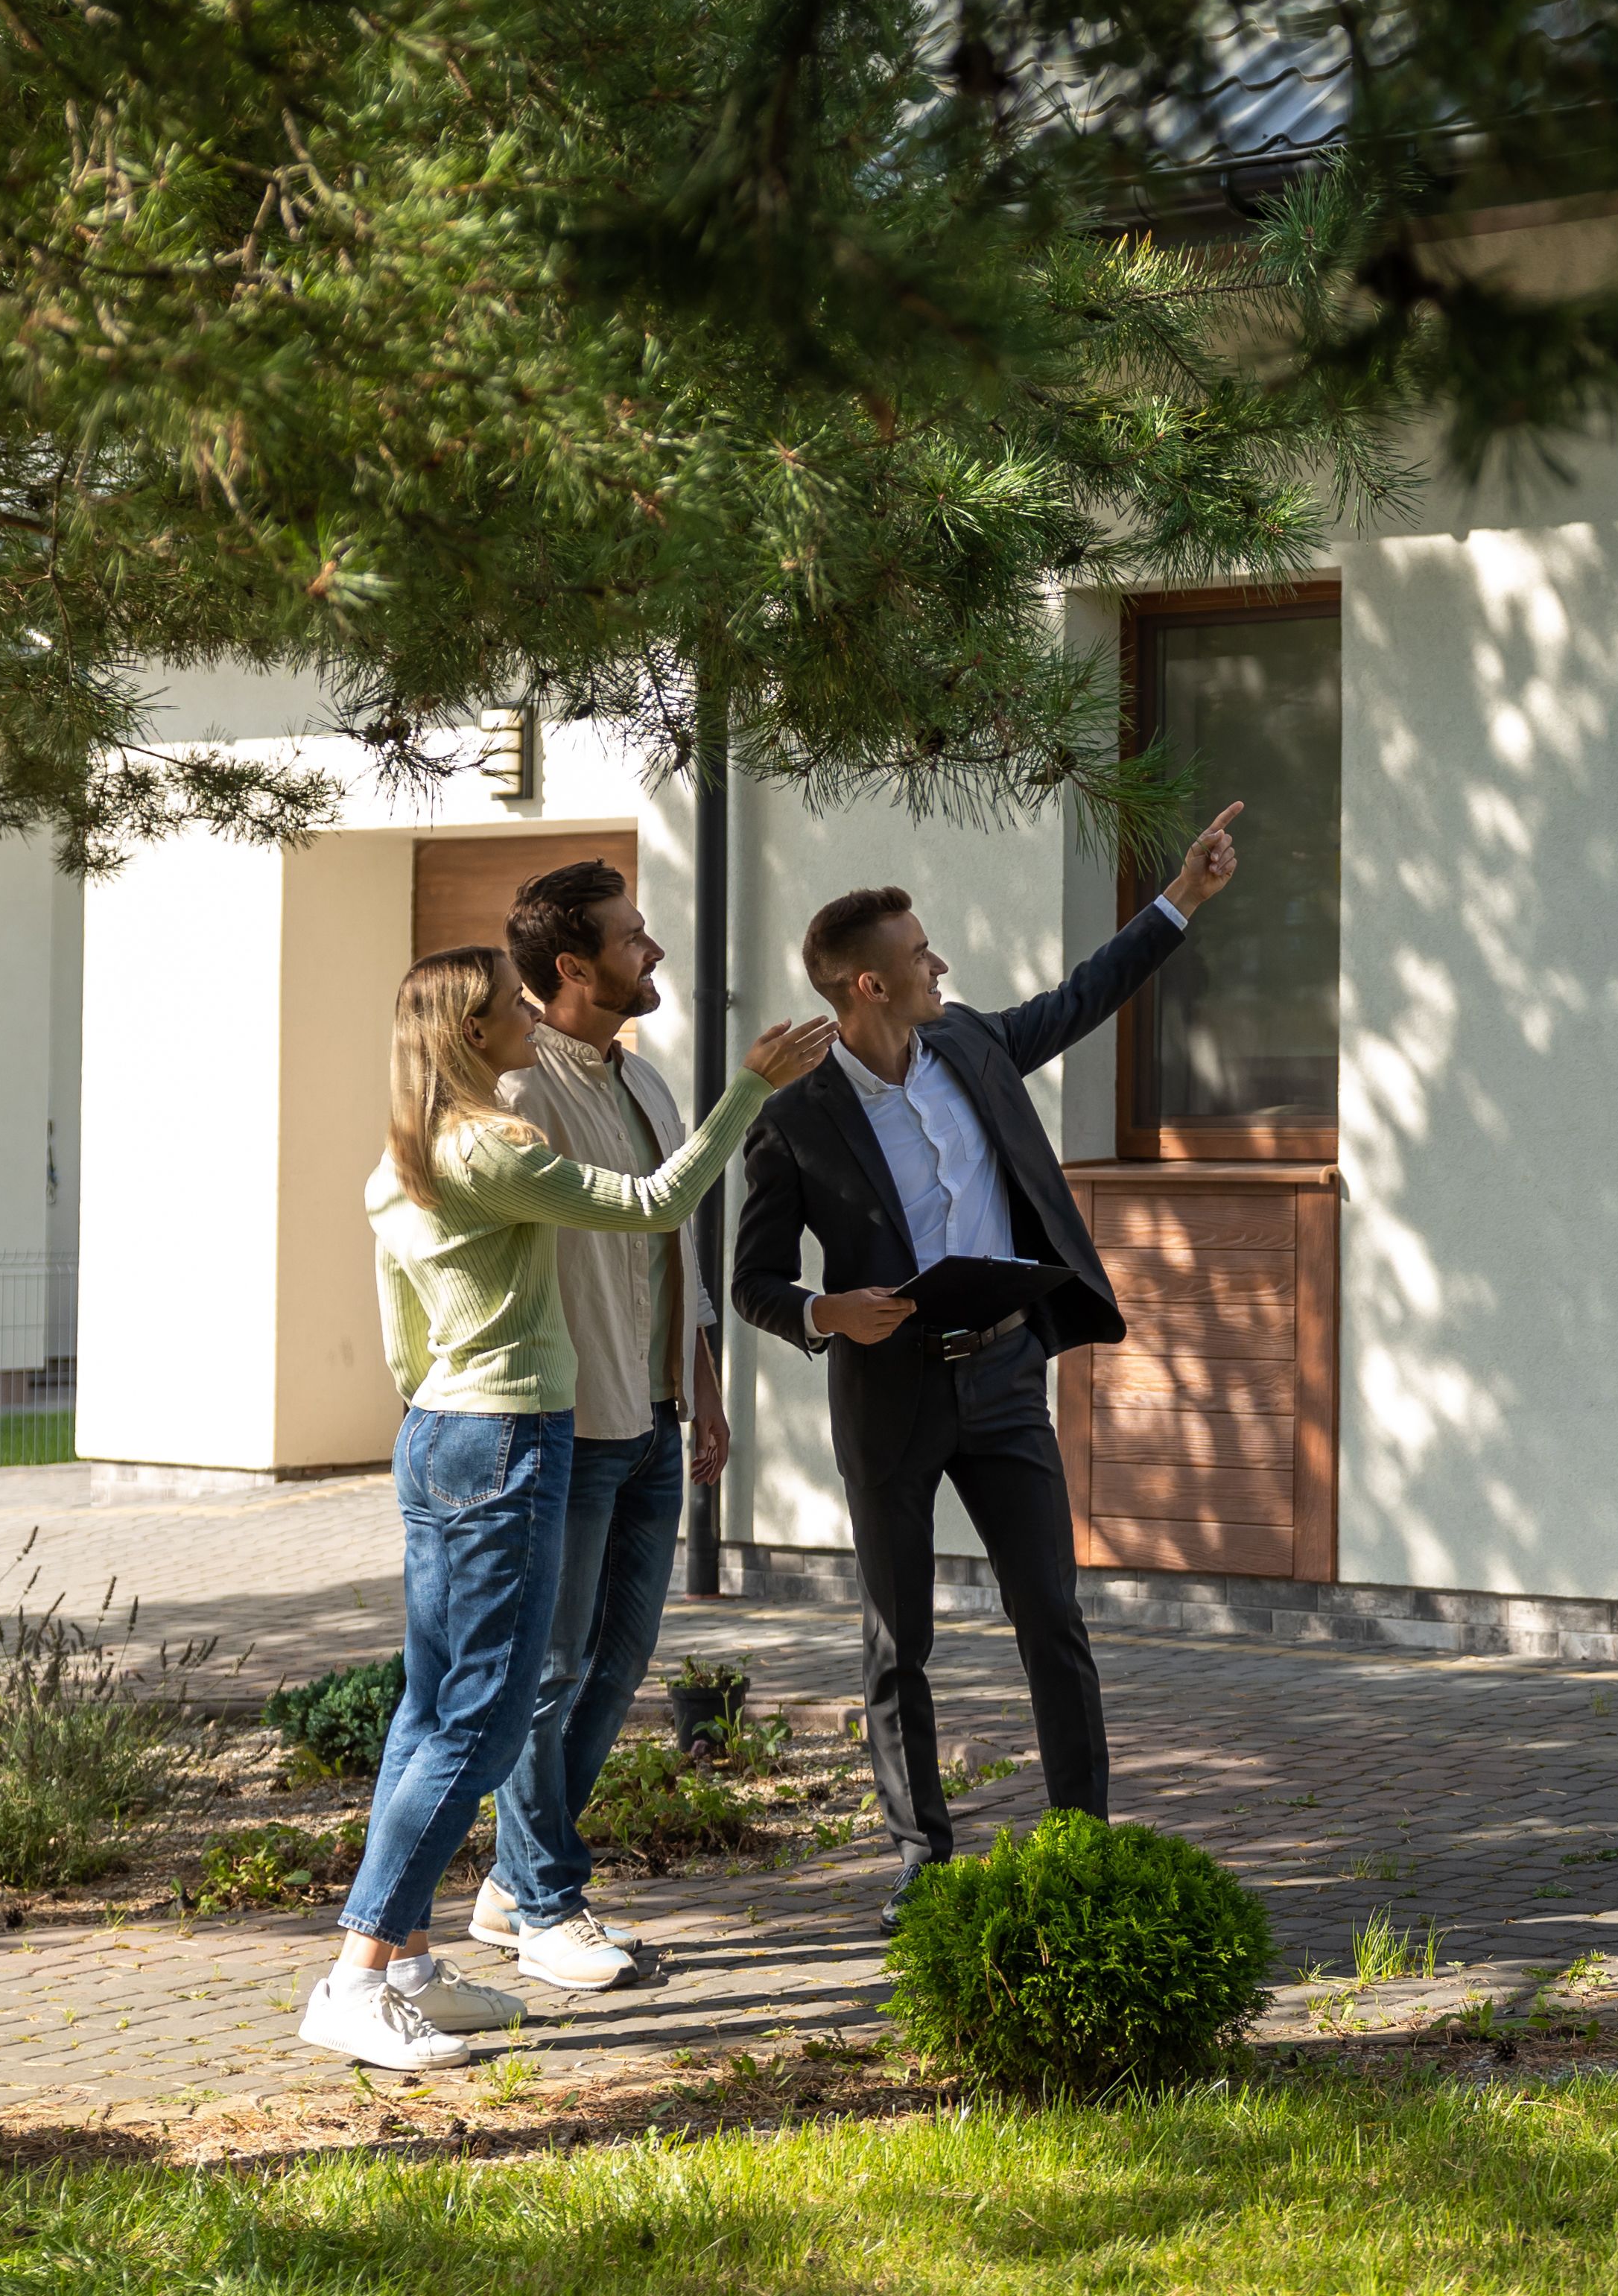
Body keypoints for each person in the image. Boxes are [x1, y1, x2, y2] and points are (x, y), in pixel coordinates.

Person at [304, 945, 833, 2073]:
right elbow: (657, 1204)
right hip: (509, 1439)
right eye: (508, 1011)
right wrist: (749, 1088)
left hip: (439, 1435)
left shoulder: (397, 1162)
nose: (526, 1023)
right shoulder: (492, 1150)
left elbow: (402, 1340)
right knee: (485, 1721)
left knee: (432, 1708)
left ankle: (400, 1963)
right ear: (472, 1035)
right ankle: (354, 1975)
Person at [732, 806, 1243, 1926]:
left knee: (1050, 1614)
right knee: (896, 1636)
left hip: (1006, 1378)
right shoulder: (797, 1122)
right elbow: (755, 1281)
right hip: (888, 1390)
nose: (940, 965)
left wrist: (1181, 903)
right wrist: (826, 1311)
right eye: (920, 956)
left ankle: (1081, 1842)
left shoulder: (968, 1044)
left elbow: (1078, 999)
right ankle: (924, 1858)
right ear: (867, 986)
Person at [463, 857, 724, 1993]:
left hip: (655, 1415)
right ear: (574, 968)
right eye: (633, 938)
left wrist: (703, 1390)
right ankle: (547, 1903)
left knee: (616, 1664)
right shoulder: (521, 1102)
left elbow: (679, 1253)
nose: (654, 949)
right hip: (568, 1426)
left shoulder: (651, 1085)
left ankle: (516, 1877)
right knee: (548, 1669)